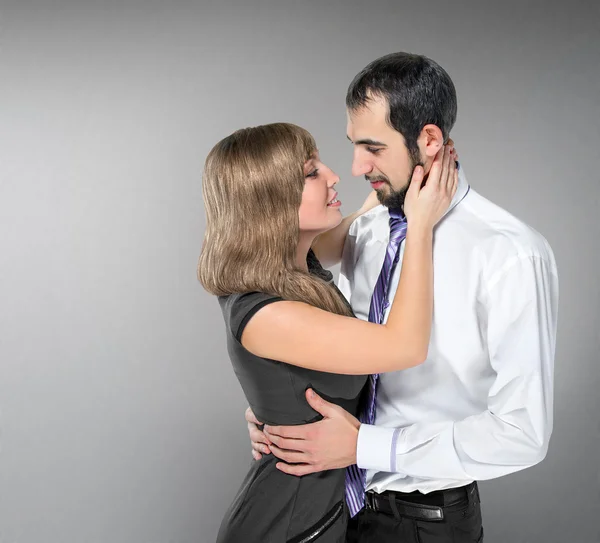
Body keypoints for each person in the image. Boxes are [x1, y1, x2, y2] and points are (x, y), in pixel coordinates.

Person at [246, 53, 560, 543]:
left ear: (429, 140)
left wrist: (367, 447)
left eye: (372, 147)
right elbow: (337, 348)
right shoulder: (367, 232)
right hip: (330, 508)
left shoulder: (510, 254)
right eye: (353, 145)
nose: (354, 168)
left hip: (424, 524)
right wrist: (280, 412)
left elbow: (523, 433)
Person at [198, 121, 458, 542]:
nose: (334, 175)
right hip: (286, 527)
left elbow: (353, 225)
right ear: (272, 201)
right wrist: (421, 225)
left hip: (319, 519)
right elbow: (405, 345)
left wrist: (406, 168)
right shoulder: (268, 313)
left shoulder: (298, 267)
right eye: (311, 173)